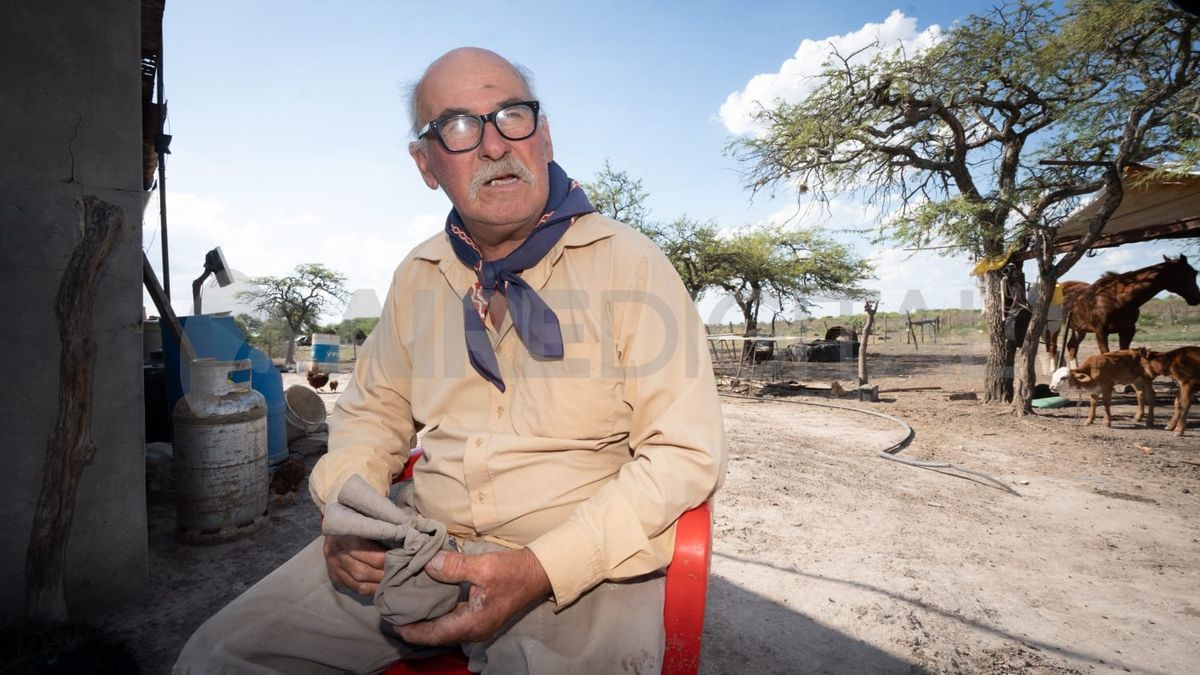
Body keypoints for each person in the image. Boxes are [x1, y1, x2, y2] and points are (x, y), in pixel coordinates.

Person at [174, 46, 725, 674]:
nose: (494, 145)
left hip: (579, 568)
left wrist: (541, 567)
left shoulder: (632, 265)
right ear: (426, 163)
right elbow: (372, 413)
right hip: (419, 544)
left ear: (543, 136)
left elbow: (685, 453)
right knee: (214, 658)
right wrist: (348, 513)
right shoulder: (419, 275)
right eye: (459, 127)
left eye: (512, 116)